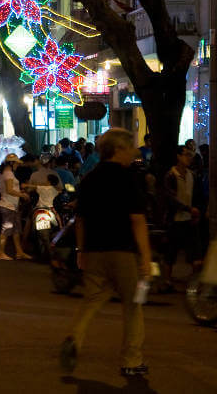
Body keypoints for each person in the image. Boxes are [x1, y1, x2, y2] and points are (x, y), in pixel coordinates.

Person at [59, 128, 151, 378]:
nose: (134, 151)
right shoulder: (128, 179)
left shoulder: (89, 179)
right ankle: (132, 359)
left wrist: (80, 250)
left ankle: (75, 339)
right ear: (119, 150)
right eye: (130, 147)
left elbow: (80, 219)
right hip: (123, 251)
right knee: (133, 306)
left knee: (91, 301)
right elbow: (137, 221)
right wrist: (145, 258)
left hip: (95, 251)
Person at [163, 145, 200, 288]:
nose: (189, 158)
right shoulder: (171, 175)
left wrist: (194, 212)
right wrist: (189, 209)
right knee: (171, 251)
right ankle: (167, 281)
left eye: (190, 155)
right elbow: (170, 199)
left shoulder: (192, 175)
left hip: (189, 219)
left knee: (195, 252)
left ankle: (193, 283)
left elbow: (196, 196)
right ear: (178, 156)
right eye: (186, 155)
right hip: (175, 220)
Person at [0, 154, 31, 260]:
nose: (17, 165)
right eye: (16, 163)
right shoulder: (8, 173)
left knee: (16, 230)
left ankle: (19, 252)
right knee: (7, 229)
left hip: (12, 206)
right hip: (8, 205)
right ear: (11, 163)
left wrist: (20, 192)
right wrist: (22, 195)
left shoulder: (6, 173)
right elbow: (9, 190)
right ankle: (1, 253)